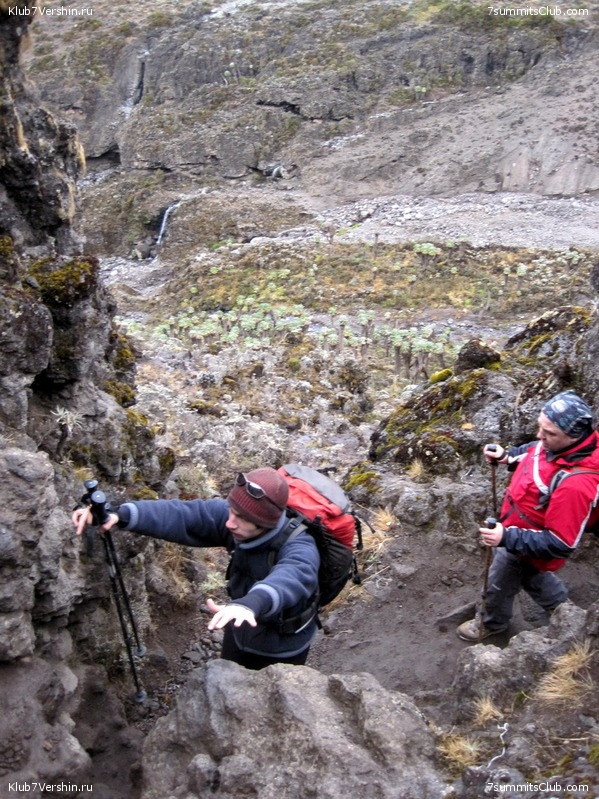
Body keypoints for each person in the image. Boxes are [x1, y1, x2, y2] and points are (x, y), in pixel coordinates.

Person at [73, 468, 320, 669]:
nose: (229, 523)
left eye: (241, 519)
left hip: (282, 645)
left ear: (265, 523)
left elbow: (292, 576)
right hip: (238, 622)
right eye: (231, 511)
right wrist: (119, 515)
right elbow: (184, 515)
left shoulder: (300, 546)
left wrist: (250, 603)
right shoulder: (236, 518)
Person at [457, 390, 599, 642]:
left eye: (549, 432)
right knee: (531, 574)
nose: (539, 436)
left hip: (525, 541)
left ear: (573, 436)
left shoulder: (576, 485)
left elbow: (561, 543)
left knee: (500, 579)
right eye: (540, 427)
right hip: (518, 529)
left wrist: (506, 537)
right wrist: (507, 456)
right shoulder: (556, 447)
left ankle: (492, 623)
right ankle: (563, 610)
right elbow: (534, 453)